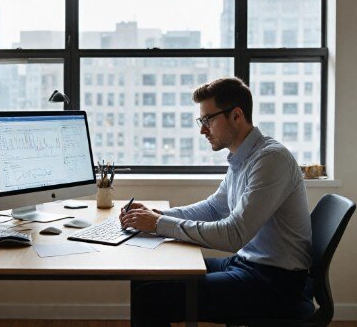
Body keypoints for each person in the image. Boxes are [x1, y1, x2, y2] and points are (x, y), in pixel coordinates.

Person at [120, 77, 313, 326]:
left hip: (276, 283)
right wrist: (156, 215)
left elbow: (234, 235)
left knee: (152, 297)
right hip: (247, 264)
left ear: (236, 116)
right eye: (202, 121)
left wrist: (158, 224)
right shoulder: (241, 156)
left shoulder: (270, 160)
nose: (202, 130)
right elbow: (214, 208)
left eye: (208, 119)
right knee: (145, 279)